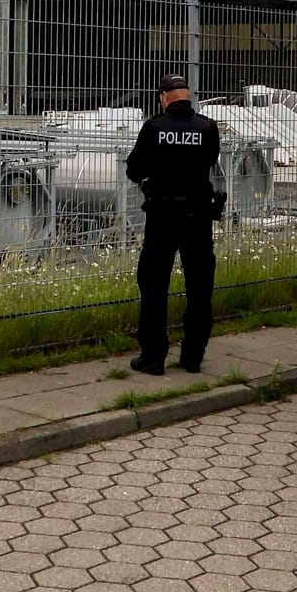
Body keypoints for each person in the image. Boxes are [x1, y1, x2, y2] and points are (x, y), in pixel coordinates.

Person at [124, 74, 225, 375]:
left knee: (154, 285)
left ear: (165, 97)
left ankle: (153, 358)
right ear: (188, 96)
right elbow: (210, 160)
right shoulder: (207, 127)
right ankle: (193, 357)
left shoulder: (154, 127)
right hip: (198, 217)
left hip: (162, 217)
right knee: (199, 287)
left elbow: (133, 169)